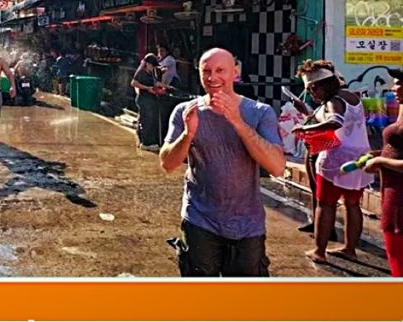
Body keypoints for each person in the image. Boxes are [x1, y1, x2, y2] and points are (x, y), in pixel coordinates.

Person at [160, 48, 285, 277]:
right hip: (200, 219)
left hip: (248, 224)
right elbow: (168, 163)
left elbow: (277, 167)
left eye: (220, 70)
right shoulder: (185, 112)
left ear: (235, 73)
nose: (212, 78)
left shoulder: (259, 112)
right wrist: (188, 135)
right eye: (206, 71)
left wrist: (237, 122)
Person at [293, 60, 373, 263]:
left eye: (312, 89)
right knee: (352, 204)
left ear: (324, 85)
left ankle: (319, 252)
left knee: (325, 205)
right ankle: (350, 249)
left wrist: (304, 129)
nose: (312, 94)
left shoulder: (333, 101)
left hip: (335, 158)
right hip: (359, 157)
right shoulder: (353, 97)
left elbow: (335, 121)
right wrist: (308, 115)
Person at [364, 67, 403, 276]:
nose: (394, 87)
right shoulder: (402, 107)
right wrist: (381, 154)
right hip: (392, 192)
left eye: (399, 83)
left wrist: (381, 160)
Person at [131, 54, 167, 148]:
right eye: (152, 65)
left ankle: (141, 139)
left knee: (144, 119)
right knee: (147, 120)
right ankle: (146, 142)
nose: (153, 67)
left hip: (150, 99)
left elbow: (155, 83)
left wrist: (166, 86)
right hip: (143, 99)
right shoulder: (141, 72)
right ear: (147, 64)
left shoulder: (151, 73)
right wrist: (147, 88)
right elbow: (134, 83)